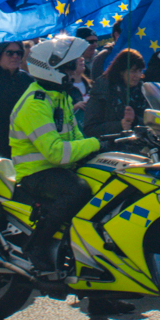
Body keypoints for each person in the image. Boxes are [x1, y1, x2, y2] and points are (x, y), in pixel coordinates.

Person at [8, 36, 103, 280]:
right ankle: (36, 246)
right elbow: (56, 152)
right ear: (51, 69)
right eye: (68, 66)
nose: (73, 71)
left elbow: (75, 136)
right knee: (78, 189)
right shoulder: (35, 103)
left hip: (57, 168)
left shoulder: (58, 97)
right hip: (36, 173)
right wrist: (95, 143)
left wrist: (106, 144)